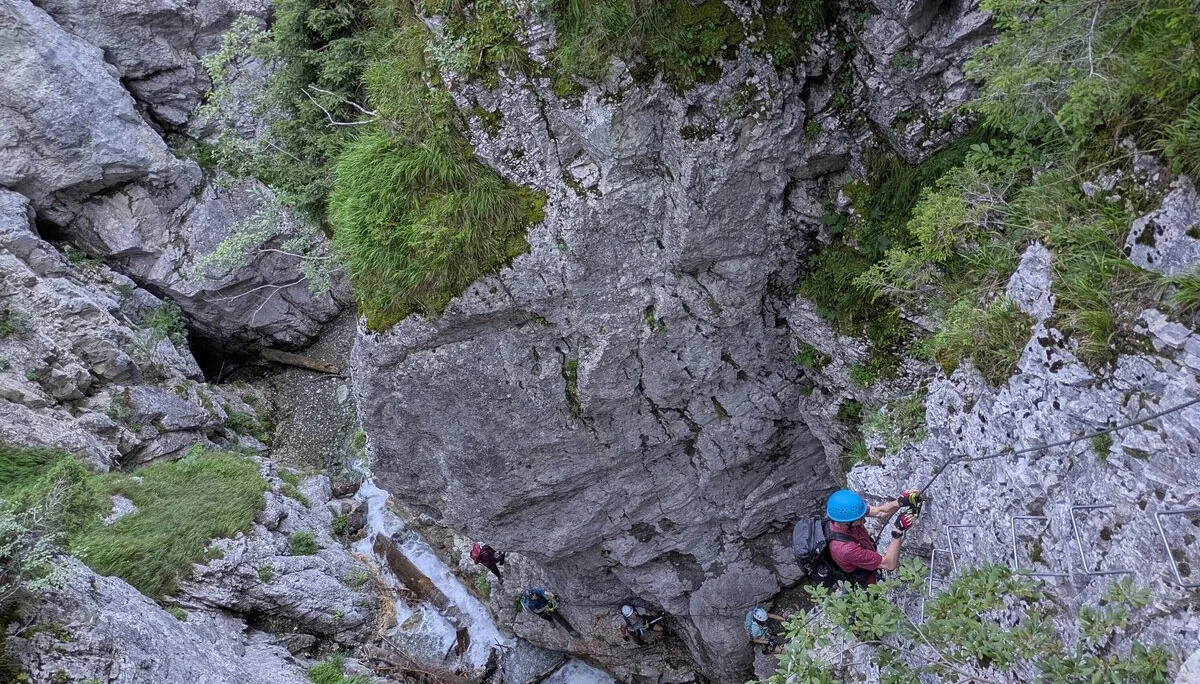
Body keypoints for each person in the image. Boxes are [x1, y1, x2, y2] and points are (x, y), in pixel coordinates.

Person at [824, 489, 920, 587]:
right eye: (860, 519)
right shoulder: (846, 549)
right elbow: (889, 564)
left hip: (862, 557)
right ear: (846, 523)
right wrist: (898, 531)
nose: (864, 520)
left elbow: (880, 512)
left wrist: (899, 502)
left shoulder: (843, 516)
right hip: (866, 581)